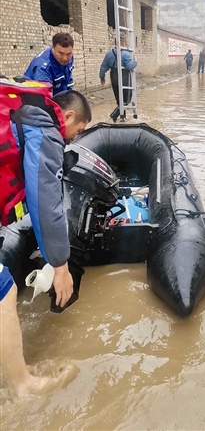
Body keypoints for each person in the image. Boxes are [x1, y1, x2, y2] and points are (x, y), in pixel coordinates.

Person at [0, 79, 91, 398]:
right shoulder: (45, 129)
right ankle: (24, 388)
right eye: (78, 131)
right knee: (4, 292)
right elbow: (44, 202)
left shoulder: (18, 111)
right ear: (65, 117)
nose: (74, 138)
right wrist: (61, 266)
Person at [99, 38, 137, 122]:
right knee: (126, 100)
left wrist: (102, 77)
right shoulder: (126, 54)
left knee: (119, 99)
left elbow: (103, 67)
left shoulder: (109, 53)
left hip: (114, 76)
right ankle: (114, 115)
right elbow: (130, 66)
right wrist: (135, 61)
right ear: (123, 42)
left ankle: (123, 118)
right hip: (124, 77)